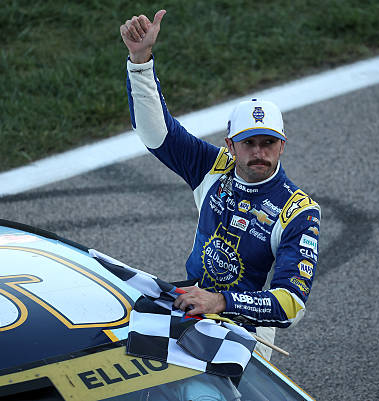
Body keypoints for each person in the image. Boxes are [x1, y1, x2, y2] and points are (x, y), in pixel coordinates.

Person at [120, 10, 321, 351]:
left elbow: (292, 304)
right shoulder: (212, 167)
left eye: (268, 142)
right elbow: (156, 133)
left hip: (247, 333)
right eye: (249, 142)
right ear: (230, 144)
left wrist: (221, 302)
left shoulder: (298, 211)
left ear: (282, 145)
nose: (259, 152)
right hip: (190, 305)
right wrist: (140, 62)